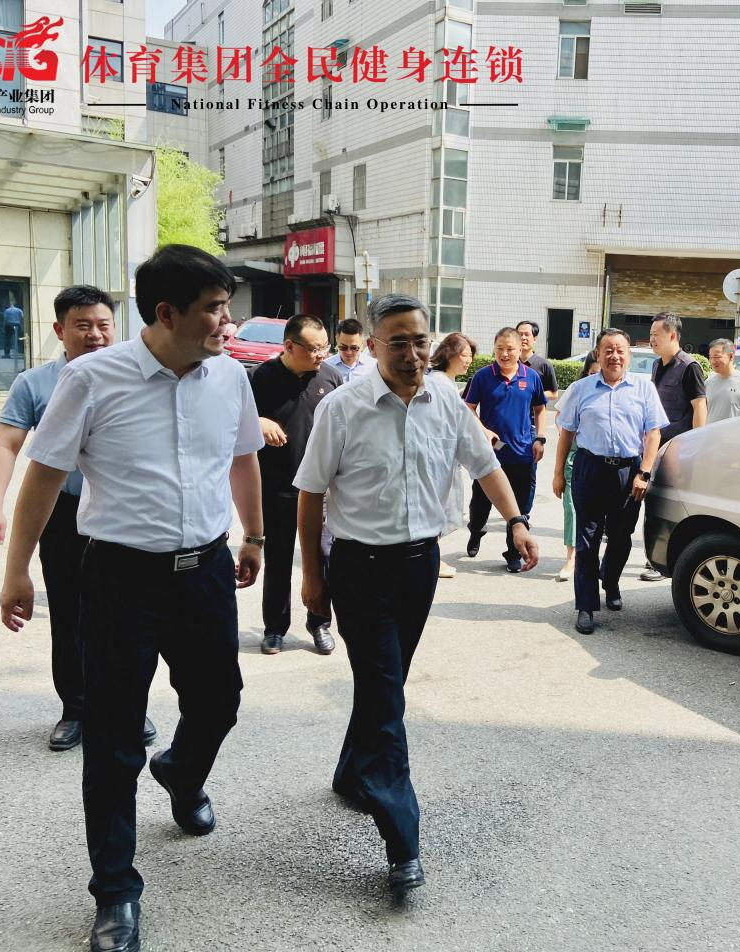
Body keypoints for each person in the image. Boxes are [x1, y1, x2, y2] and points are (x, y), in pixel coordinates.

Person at [0, 244, 265, 952]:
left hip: (205, 569)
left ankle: (180, 770)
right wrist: (18, 571)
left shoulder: (229, 377)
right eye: (214, 309)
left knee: (219, 701)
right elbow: (43, 475)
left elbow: (242, 456)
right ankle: (115, 890)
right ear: (166, 313)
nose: (227, 322)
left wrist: (254, 536)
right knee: (114, 739)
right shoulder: (91, 379)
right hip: (120, 578)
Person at [295, 293, 538, 896]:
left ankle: (352, 773)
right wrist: (313, 577)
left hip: (419, 566)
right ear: (375, 346)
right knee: (386, 694)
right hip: (359, 568)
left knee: (386, 683)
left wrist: (515, 521)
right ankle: (402, 839)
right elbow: (310, 493)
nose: (411, 353)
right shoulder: (343, 408)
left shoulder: (446, 400)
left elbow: (484, 466)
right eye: (398, 342)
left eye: (420, 341)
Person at [0, 285, 156, 753]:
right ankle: (76, 707)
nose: (95, 334)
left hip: (122, 512)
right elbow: (7, 445)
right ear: (59, 330)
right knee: (70, 613)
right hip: (63, 514)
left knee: (127, 615)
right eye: (83, 325)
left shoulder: (134, 376)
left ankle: (127, 706)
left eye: (103, 325)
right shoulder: (35, 383)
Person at [554, 329, 667, 634]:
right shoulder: (581, 389)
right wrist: (558, 472)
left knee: (620, 537)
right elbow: (567, 433)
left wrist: (644, 473)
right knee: (587, 539)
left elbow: (653, 433)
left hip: (628, 472)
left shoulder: (644, 388)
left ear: (629, 355)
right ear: (598, 354)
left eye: (620, 351)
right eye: (608, 350)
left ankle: (611, 581)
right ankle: (585, 605)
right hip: (590, 468)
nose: (614, 356)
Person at [251, 314, 344, 656]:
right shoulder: (260, 378)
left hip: (319, 491)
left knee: (321, 559)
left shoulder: (331, 378)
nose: (322, 354)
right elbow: (235, 421)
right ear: (289, 346)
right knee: (278, 560)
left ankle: (319, 622)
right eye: (315, 348)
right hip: (277, 486)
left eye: (325, 347)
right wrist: (258, 421)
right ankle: (275, 628)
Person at [463, 327, 547, 573]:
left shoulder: (531, 377)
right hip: (490, 454)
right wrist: (484, 430)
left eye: (510, 349)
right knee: (480, 504)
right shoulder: (482, 376)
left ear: (521, 349)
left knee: (519, 508)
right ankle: (476, 530)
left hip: (522, 453)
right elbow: (468, 407)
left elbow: (540, 408)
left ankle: (513, 553)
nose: (505, 353)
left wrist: (540, 438)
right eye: (500, 348)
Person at [640, 311, 707, 581]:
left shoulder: (689, 367)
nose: (651, 339)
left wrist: (697, 448)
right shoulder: (657, 365)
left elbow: (699, 407)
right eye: (650, 335)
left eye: (656, 335)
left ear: (671, 335)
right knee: (654, 503)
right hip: (657, 447)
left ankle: (664, 563)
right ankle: (654, 559)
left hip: (680, 450)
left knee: (672, 506)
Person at [428, 331, 478, 579]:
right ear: (449, 354)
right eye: (464, 355)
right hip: (438, 458)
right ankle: (432, 560)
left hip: (444, 457)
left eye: (470, 356)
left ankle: (433, 558)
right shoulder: (440, 383)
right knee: (436, 510)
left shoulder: (444, 382)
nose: (468, 360)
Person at [557, 349, 601, 583]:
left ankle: (593, 560)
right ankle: (571, 557)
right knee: (571, 507)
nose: (597, 377)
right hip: (576, 455)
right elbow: (560, 418)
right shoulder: (577, 389)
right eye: (592, 373)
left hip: (604, 460)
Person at [515, 320, 559, 514]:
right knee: (502, 468)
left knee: (528, 473)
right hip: (508, 428)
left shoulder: (543, 365)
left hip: (531, 428)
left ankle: (523, 514)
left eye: (527, 334)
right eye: (520, 334)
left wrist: (532, 395)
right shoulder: (508, 363)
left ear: (534, 338)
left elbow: (554, 393)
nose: (523, 338)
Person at [705, 337, 740, 423]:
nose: (712, 361)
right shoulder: (708, 381)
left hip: (732, 431)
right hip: (709, 431)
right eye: (710, 357)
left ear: (731, 356)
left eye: (717, 357)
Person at [325, 317, 376, 382]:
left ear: (362, 343)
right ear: (337, 341)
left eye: (354, 348)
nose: (349, 352)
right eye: (343, 348)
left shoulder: (373, 366)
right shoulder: (326, 367)